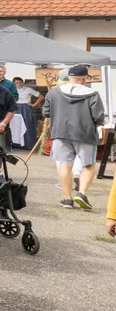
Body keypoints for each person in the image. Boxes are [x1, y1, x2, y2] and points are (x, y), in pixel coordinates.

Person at [44, 64, 106, 210]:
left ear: (69, 77)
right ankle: (82, 193)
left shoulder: (53, 92)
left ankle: (67, 198)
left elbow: (46, 112)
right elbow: (98, 117)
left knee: (65, 165)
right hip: (84, 133)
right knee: (88, 165)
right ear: (84, 78)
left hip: (60, 133)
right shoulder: (92, 94)